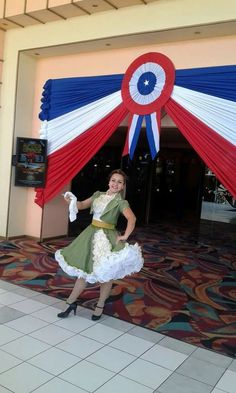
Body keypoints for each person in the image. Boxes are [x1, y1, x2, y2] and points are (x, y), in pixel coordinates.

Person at [55, 169, 144, 320]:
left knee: (106, 274)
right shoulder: (97, 195)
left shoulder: (120, 202)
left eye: (119, 182)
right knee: (83, 271)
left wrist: (125, 235)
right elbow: (82, 204)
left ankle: (100, 305)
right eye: (113, 180)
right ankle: (70, 302)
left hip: (108, 237)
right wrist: (71, 202)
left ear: (123, 186)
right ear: (109, 182)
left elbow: (132, 218)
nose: (116, 184)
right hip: (90, 234)